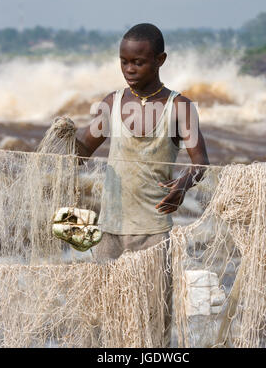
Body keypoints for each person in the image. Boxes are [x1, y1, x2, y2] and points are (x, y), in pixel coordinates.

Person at [75, 23, 210, 346]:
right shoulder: (113, 102)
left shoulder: (179, 108)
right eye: (124, 62)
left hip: (153, 230)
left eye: (139, 62)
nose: (130, 69)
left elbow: (201, 162)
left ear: (160, 60)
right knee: (109, 316)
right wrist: (64, 138)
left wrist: (183, 184)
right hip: (110, 228)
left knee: (152, 319)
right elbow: (80, 153)